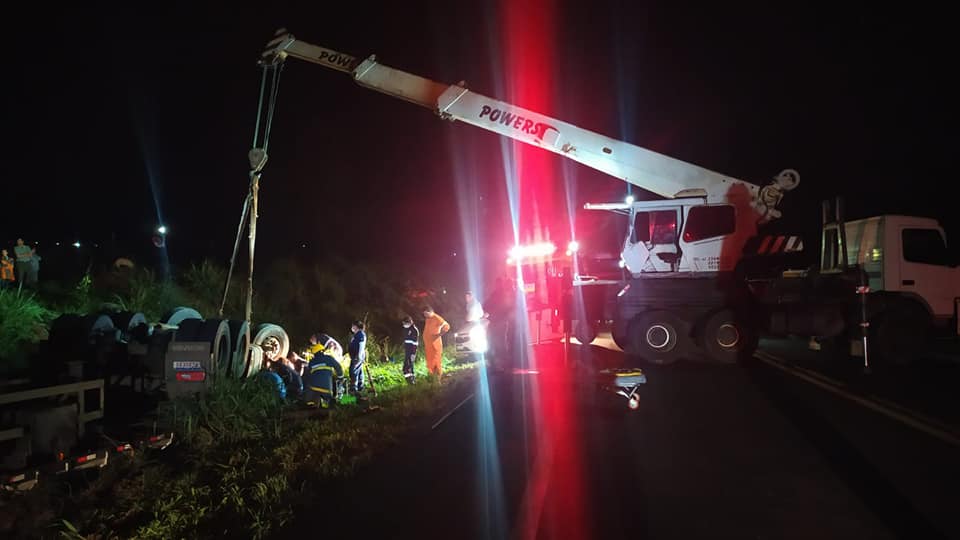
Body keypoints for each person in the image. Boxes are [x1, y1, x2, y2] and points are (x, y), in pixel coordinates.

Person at [303, 341, 344, 407]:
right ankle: (331, 402)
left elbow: (308, 376)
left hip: (314, 389)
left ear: (314, 353)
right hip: (327, 390)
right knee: (328, 396)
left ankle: (311, 404)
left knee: (310, 395)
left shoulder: (312, 362)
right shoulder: (329, 358)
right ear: (322, 351)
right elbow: (338, 367)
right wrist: (340, 377)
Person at [422, 306, 450, 380]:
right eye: (424, 314)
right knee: (430, 361)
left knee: (436, 361)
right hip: (428, 345)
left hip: (435, 345)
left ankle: (438, 378)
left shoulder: (437, 318)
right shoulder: (428, 318)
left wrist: (438, 335)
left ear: (430, 312)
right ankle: (432, 377)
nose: (425, 315)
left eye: (426, 314)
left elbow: (447, 326)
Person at [347, 321, 367, 395]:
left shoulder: (360, 334)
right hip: (356, 356)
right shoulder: (357, 334)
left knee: (353, 371)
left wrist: (358, 357)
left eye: (353, 326)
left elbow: (361, 345)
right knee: (359, 371)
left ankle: (354, 389)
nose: (352, 328)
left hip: (357, 356)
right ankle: (360, 387)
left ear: (356, 326)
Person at [401, 315, 419, 384]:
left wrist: (413, 353)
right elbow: (406, 340)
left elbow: (415, 343)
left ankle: (411, 380)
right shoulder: (406, 329)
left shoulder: (414, 330)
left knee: (410, 365)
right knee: (406, 365)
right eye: (403, 323)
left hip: (412, 350)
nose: (404, 325)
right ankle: (408, 379)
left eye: (405, 323)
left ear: (409, 322)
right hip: (407, 350)